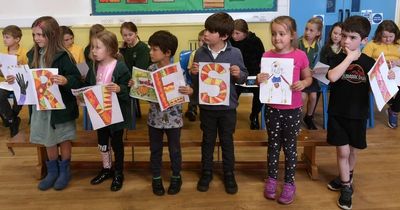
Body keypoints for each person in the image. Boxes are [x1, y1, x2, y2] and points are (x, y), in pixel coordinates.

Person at [325, 16, 395, 210]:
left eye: (353, 37)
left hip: (358, 114)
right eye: (345, 36)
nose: (347, 41)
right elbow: (332, 76)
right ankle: (347, 188)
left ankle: (345, 176)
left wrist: (388, 77)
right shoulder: (337, 57)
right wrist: (349, 57)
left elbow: (379, 89)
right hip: (338, 113)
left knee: (353, 151)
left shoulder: (369, 62)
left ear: (363, 40)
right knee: (342, 151)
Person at [256, 16, 312, 205]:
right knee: (273, 145)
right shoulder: (266, 56)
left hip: (293, 109)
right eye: (274, 34)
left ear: (292, 35)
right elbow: (262, 81)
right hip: (272, 108)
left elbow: (308, 78)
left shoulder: (300, 56)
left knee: (290, 148)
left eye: (282, 33)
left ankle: (289, 183)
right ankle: (271, 179)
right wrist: (259, 78)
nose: (277, 38)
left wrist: (303, 83)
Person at [191, 12, 248, 195]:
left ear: (223, 36)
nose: (206, 34)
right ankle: (206, 172)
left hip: (227, 108)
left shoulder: (235, 53)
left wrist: (238, 73)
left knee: (226, 141)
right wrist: (193, 73)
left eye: (211, 31)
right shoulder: (200, 52)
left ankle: (229, 173)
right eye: (206, 29)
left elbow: (244, 78)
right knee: (207, 141)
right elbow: (197, 83)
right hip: (207, 107)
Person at [25, 16, 82, 191]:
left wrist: (66, 80)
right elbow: (29, 80)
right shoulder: (32, 55)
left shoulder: (64, 56)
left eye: (41, 35)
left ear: (52, 35)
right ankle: (52, 171)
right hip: (42, 107)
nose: (37, 39)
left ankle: (64, 170)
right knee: (48, 139)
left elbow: (76, 79)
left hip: (60, 108)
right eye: (34, 35)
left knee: (63, 138)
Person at [141, 30, 192, 196]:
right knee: (155, 150)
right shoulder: (150, 69)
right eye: (151, 48)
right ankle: (156, 177)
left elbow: (186, 93)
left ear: (167, 52)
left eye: (154, 49)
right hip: (154, 120)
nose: (150, 52)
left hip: (174, 120)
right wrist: (138, 88)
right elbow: (147, 97)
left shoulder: (179, 71)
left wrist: (188, 90)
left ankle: (176, 176)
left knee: (175, 150)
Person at [84, 30, 131, 191]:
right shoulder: (94, 66)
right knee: (102, 143)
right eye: (92, 47)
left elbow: (129, 89)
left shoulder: (120, 66)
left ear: (110, 49)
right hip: (99, 113)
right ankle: (106, 168)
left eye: (98, 47)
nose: (93, 51)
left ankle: (118, 172)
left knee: (117, 144)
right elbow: (90, 86)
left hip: (116, 115)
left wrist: (120, 88)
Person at [363, 20, 400, 128]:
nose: (388, 39)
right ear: (379, 35)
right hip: (378, 72)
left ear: (395, 35)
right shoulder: (372, 44)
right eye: (385, 37)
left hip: (396, 71)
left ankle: (394, 110)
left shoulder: (398, 44)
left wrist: (397, 62)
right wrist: (381, 66)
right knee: (381, 83)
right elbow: (364, 60)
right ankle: (393, 108)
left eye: (391, 36)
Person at [230, 19, 265, 129]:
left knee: (260, 95)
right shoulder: (230, 42)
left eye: (237, 33)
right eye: (232, 33)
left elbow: (262, 59)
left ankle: (254, 115)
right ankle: (230, 115)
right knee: (231, 94)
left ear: (245, 32)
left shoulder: (255, 41)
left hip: (253, 75)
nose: (234, 36)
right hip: (237, 75)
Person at [119, 21, 151, 120]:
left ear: (136, 33)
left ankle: (126, 115)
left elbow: (141, 70)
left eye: (130, 34)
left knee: (122, 87)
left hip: (141, 78)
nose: (127, 37)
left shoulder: (142, 48)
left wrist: (130, 79)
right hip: (128, 76)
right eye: (125, 35)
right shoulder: (123, 47)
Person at [0, 25, 28, 137]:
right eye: (3, 37)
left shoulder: (25, 53)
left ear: (17, 39)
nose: (4, 39)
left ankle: (10, 118)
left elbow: (29, 71)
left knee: (21, 97)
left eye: (7, 37)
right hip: (7, 83)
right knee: (0, 95)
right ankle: (12, 121)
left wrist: (20, 68)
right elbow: (2, 73)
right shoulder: (2, 52)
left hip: (21, 83)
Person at [298, 17, 323, 130]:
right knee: (302, 97)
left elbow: (318, 62)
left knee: (313, 96)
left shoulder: (318, 46)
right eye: (306, 29)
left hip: (311, 77)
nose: (307, 32)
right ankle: (296, 117)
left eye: (311, 30)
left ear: (318, 33)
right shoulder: (298, 43)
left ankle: (309, 117)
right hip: (299, 76)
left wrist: (314, 70)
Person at [184, 29, 205, 122]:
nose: (201, 43)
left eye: (203, 41)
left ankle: (203, 109)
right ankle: (192, 109)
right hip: (195, 78)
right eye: (199, 40)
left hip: (207, 80)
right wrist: (193, 71)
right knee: (193, 87)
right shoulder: (194, 54)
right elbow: (189, 69)